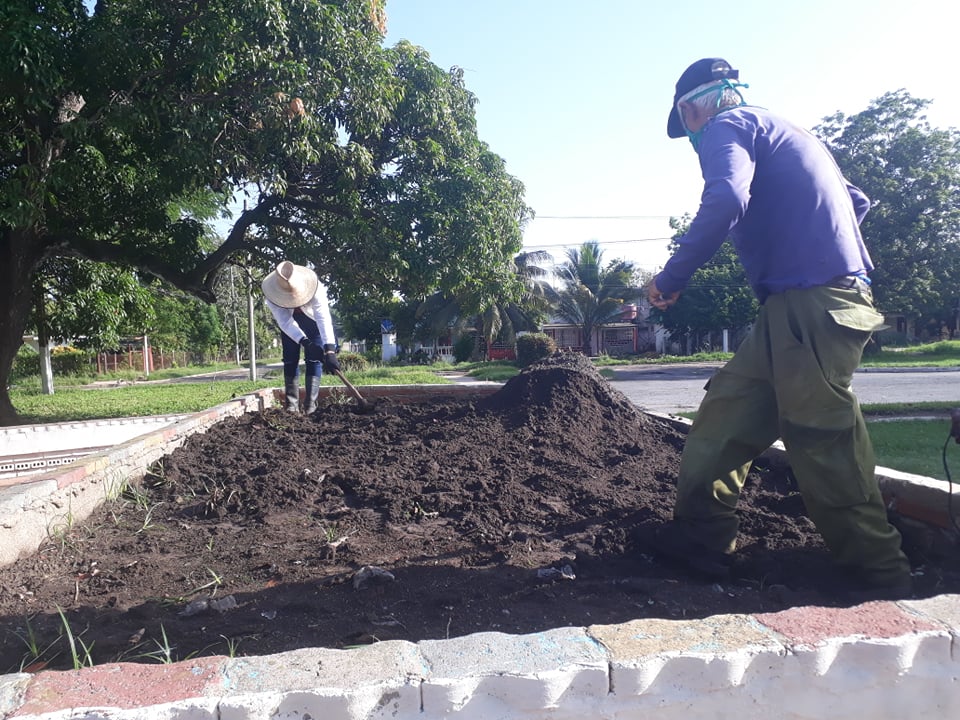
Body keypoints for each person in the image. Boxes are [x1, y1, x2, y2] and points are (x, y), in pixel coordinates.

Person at [648, 58, 912, 600]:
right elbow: (854, 201)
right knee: (726, 416)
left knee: (822, 440)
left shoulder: (729, 125)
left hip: (812, 305)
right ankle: (700, 543)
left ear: (693, 106)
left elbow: (726, 197)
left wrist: (671, 279)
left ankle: (881, 578)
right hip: (787, 310)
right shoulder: (791, 133)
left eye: (687, 124)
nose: (692, 135)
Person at [261, 260, 340, 414]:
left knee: (314, 359)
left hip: (312, 321)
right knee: (290, 359)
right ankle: (291, 405)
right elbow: (285, 322)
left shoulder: (316, 287)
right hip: (290, 326)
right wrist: (305, 342)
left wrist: (329, 350)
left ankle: (310, 406)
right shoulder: (272, 294)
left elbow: (323, 317)